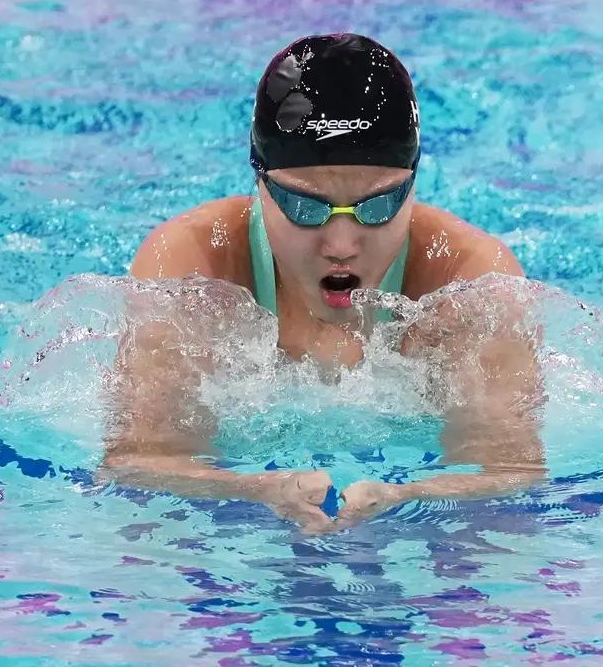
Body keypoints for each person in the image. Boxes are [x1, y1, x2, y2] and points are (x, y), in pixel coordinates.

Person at [103, 33, 545, 533]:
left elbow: (511, 474)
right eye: (304, 206)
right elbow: (138, 463)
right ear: (260, 182)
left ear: (413, 185)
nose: (340, 244)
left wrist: (409, 498)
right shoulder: (193, 268)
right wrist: (253, 491)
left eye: (378, 205)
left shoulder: (467, 282)